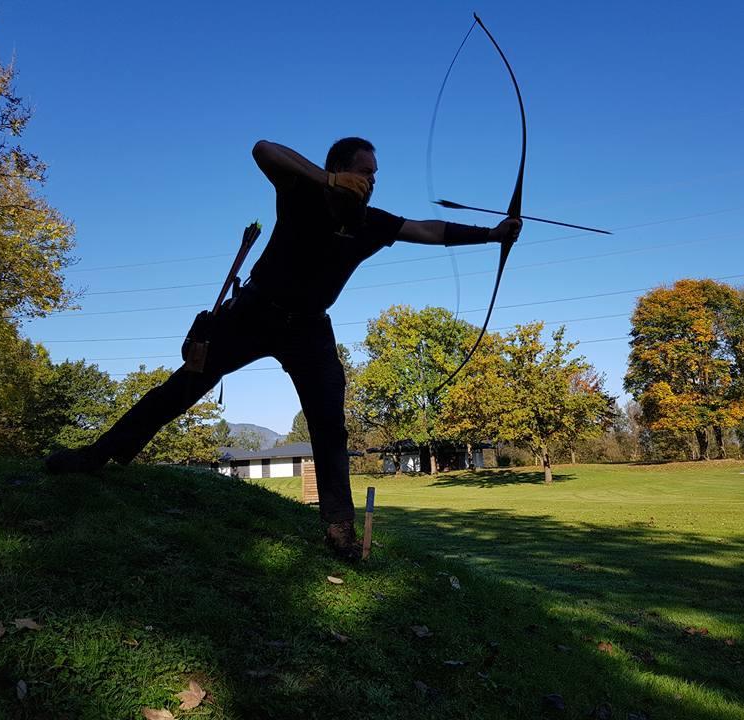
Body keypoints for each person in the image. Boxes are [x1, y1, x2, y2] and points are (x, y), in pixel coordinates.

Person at [46, 137, 521, 561]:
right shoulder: (302, 192)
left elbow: (428, 230)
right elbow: (263, 149)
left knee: (329, 423)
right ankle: (94, 457)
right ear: (340, 168)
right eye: (364, 171)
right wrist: (327, 179)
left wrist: (491, 234)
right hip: (253, 313)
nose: (371, 181)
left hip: (309, 329)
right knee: (181, 388)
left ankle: (338, 528)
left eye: (375, 174)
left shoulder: (370, 223)